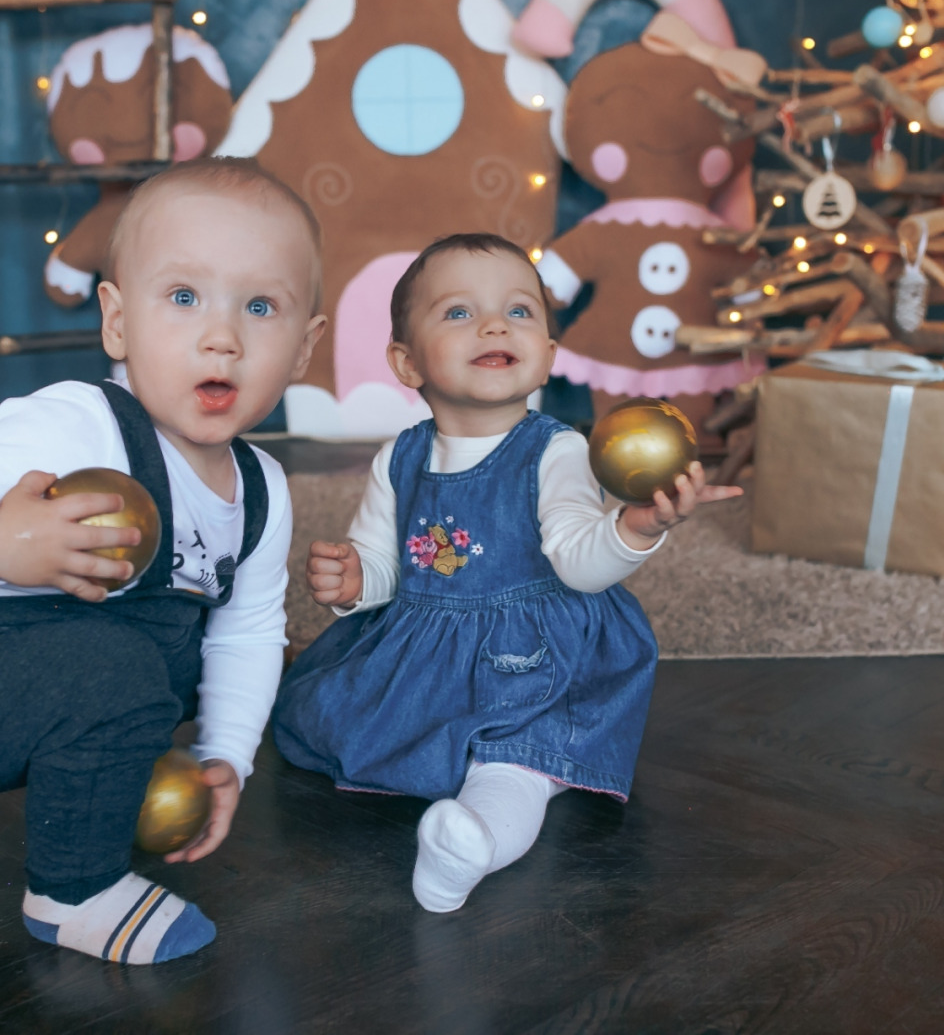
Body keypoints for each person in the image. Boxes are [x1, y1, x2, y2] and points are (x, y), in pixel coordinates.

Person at [0, 158, 326, 964]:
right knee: (121, 665)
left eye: (260, 306)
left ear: (306, 347)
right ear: (116, 322)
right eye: (183, 298)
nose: (223, 336)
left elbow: (247, 631)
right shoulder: (76, 423)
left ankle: (93, 789)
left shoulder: (263, 490)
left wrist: (224, 757)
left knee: (176, 656)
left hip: (75, 672)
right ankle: (72, 894)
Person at [273, 233, 738, 913]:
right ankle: (451, 768)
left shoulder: (557, 451)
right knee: (328, 714)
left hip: (536, 659)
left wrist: (633, 529)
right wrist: (354, 582)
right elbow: (386, 564)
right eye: (459, 313)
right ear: (406, 362)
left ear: (548, 354)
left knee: (521, 760)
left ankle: (473, 842)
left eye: (520, 311)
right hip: (430, 649)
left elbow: (582, 566)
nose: (494, 325)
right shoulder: (399, 458)